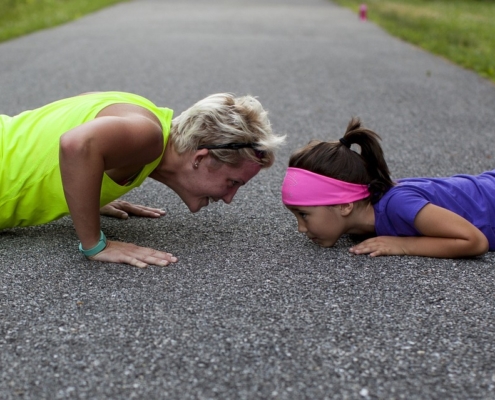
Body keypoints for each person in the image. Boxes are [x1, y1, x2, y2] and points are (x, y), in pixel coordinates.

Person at [1, 91, 285, 267]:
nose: (229, 198)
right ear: (201, 157)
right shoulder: (148, 136)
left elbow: (64, 126)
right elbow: (77, 144)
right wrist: (95, 244)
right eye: (232, 183)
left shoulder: (144, 117)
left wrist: (86, 194)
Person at [281, 117, 493, 259]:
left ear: (345, 205)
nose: (301, 228)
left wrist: (403, 245)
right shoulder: (360, 217)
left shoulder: (398, 205)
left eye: (304, 215)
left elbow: (474, 241)